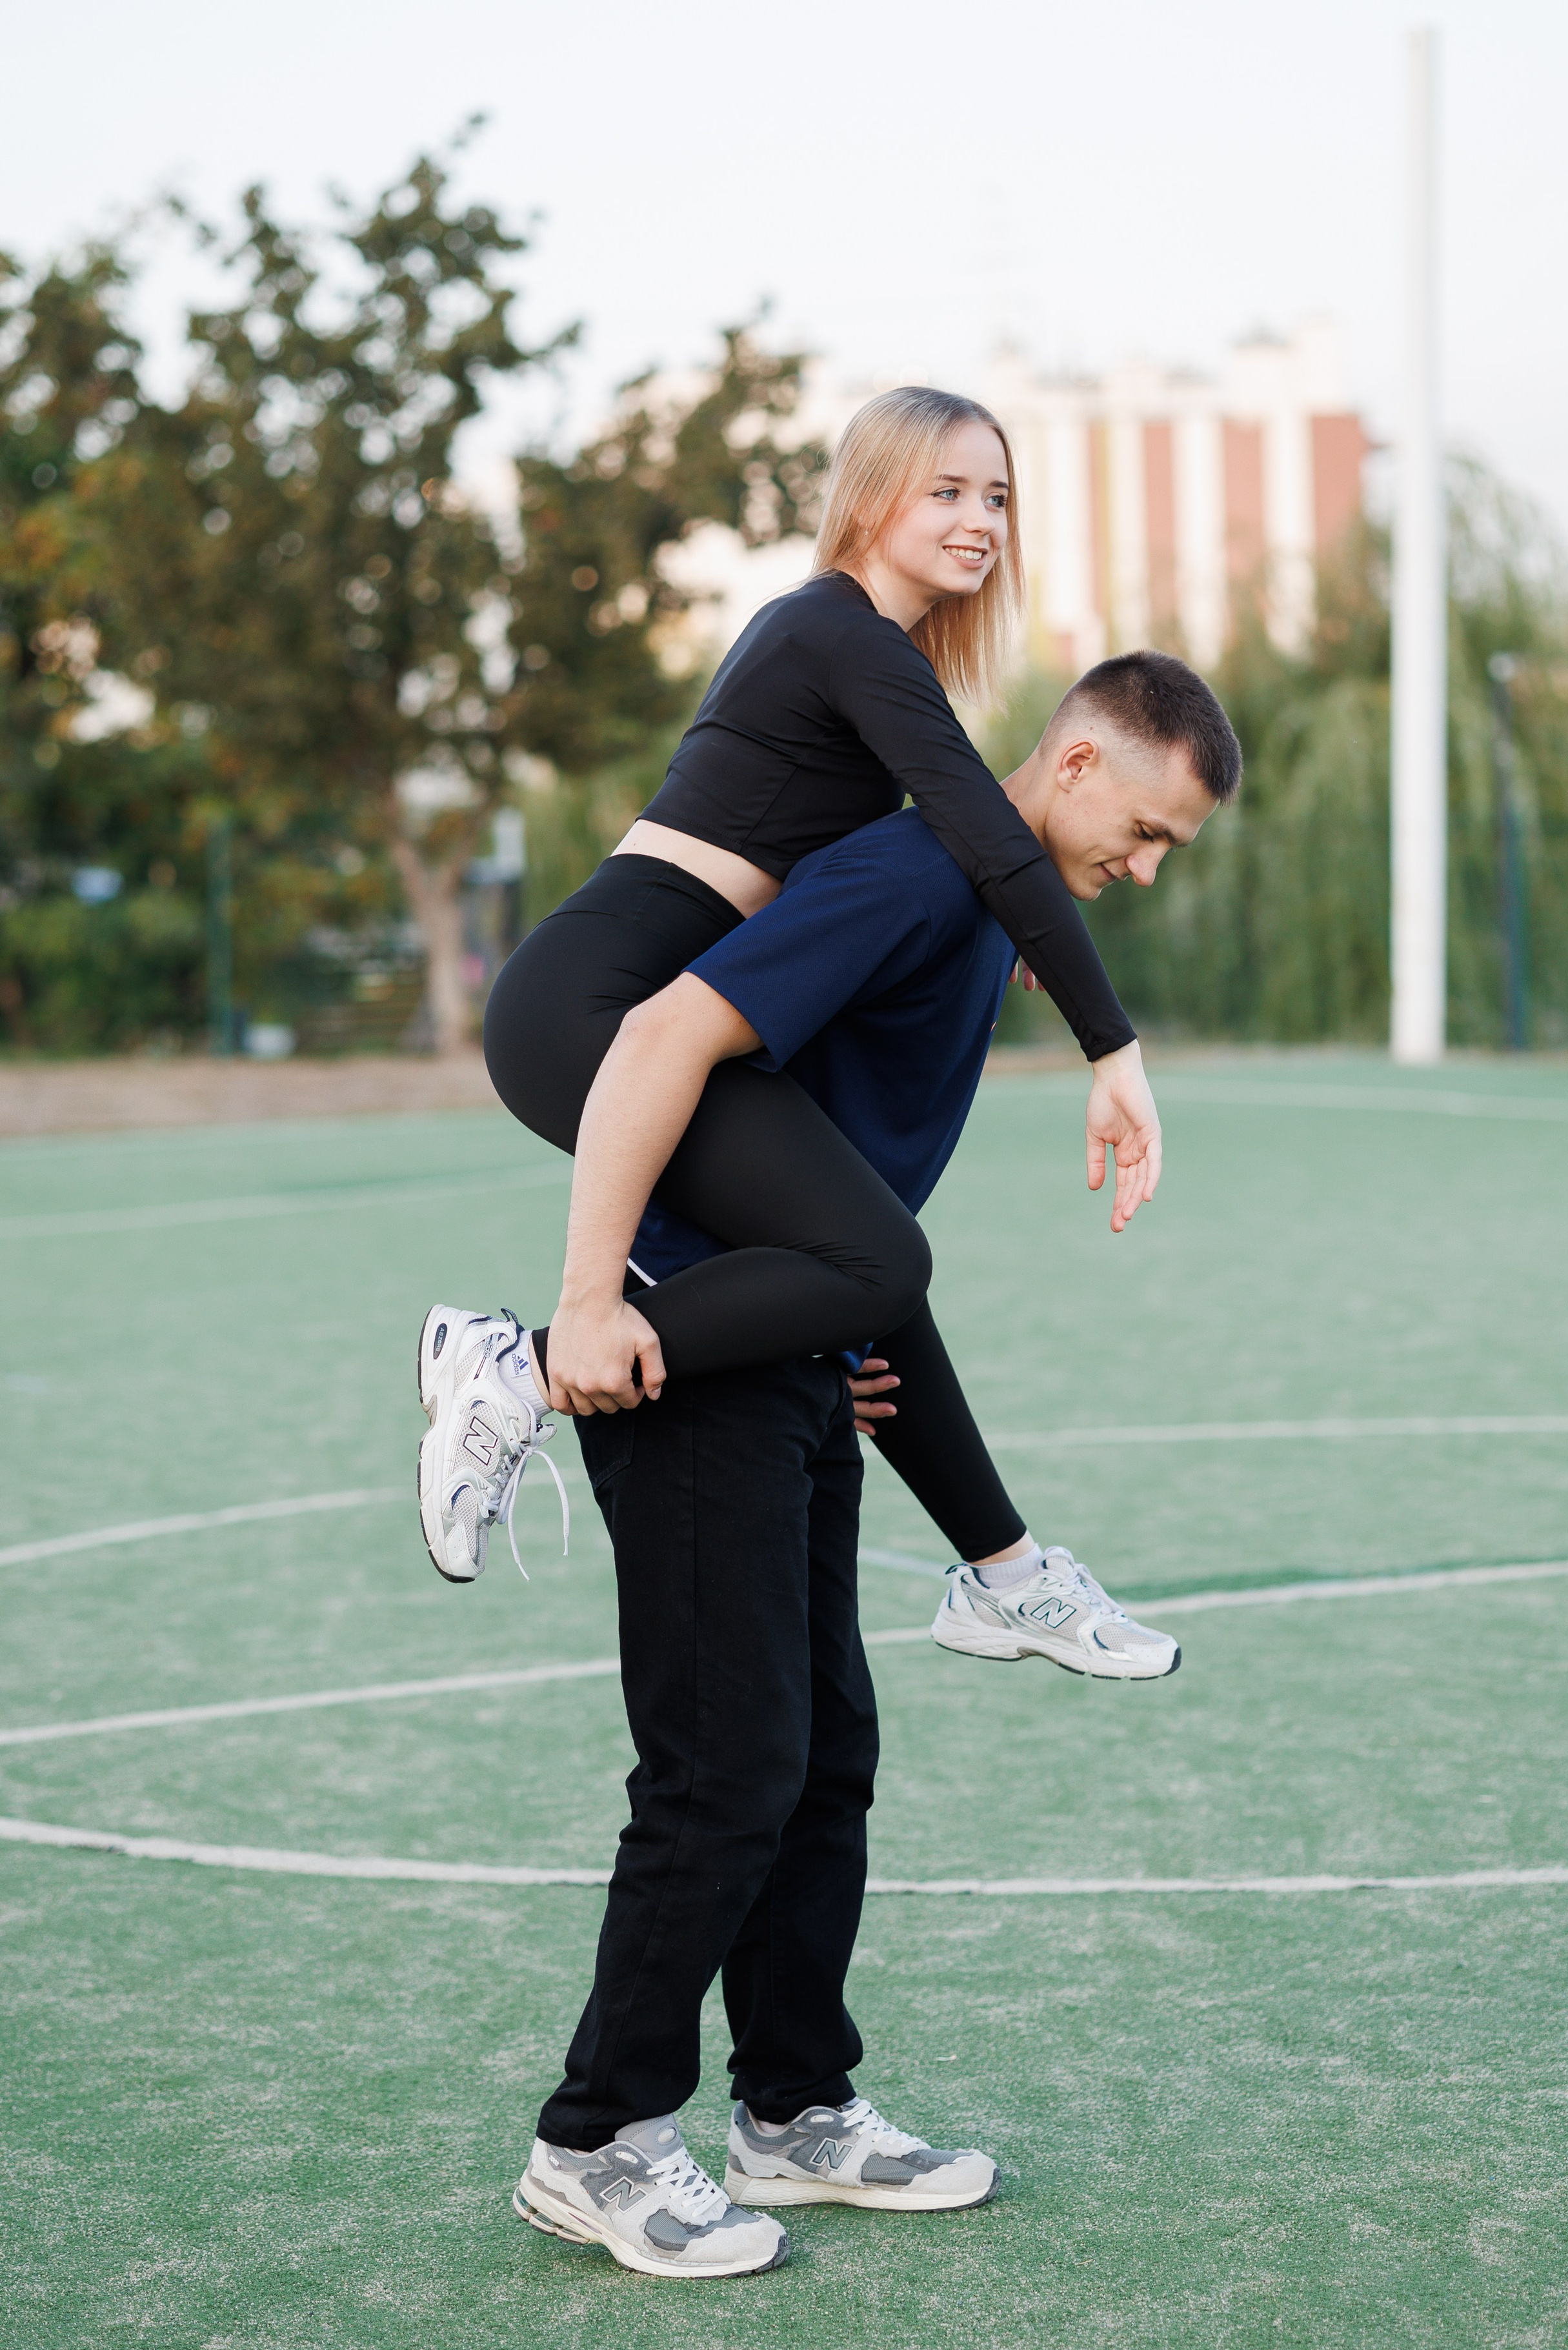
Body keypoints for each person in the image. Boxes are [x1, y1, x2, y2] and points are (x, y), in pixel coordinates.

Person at [491, 659, 1232, 2280]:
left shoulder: (979, 910)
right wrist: (589, 1306)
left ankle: (794, 2110)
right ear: (1074, 763)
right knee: (723, 1768)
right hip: (678, 1364)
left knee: (824, 1753)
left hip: (799, 1367)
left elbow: (827, 1179)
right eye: (1145, 832)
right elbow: (667, 1040)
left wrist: (837, 1333)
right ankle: (595, 2141)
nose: (1143, 869)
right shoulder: (907, 874)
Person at [419, 388, 1229, 1591]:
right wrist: (1113, 1050)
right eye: (947, 491)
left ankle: (1009, 1575)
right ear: (871, 496)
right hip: (591, 1003)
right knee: (879, 1255)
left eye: (998, 497)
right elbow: (994, 843)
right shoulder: (839, 634)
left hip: (638, 999)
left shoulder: (878, 660)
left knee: (860, 1248)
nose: (981, 520)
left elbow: (955, 867)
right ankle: (517, 1367)